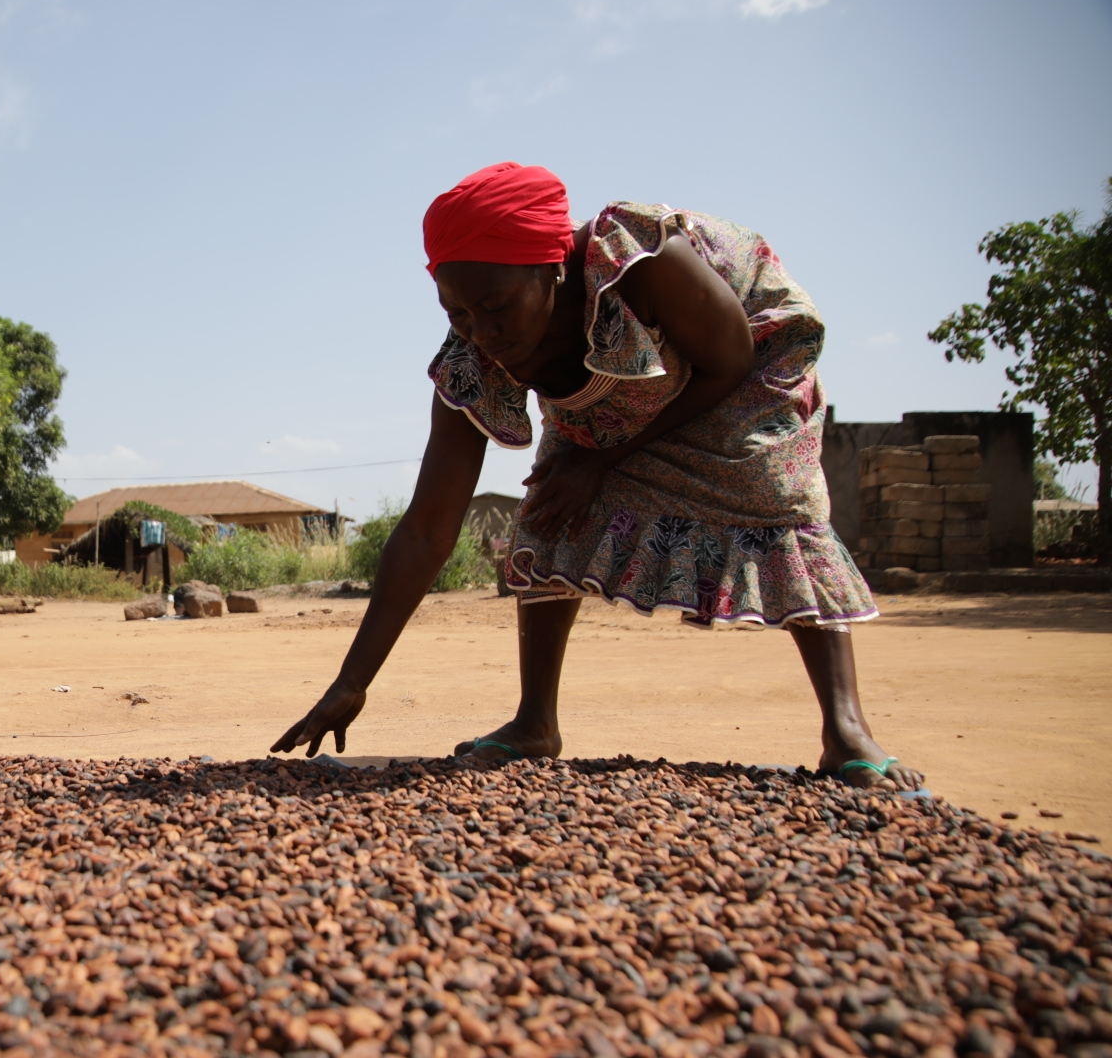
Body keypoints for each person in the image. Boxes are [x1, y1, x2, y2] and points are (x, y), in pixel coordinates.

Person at [271, 162, 924, 791]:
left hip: (739, 363)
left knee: (776, 490)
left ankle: (847, 731)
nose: (483, 332)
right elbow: (427, 529)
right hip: (618, 396)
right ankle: (535, 724)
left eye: (496, 306)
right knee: (550, 506)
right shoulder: (474, 356)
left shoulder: (641, 265)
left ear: (551, 270)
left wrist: (602, 460)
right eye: (458, 313)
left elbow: (728, 359)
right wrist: (352, 681)